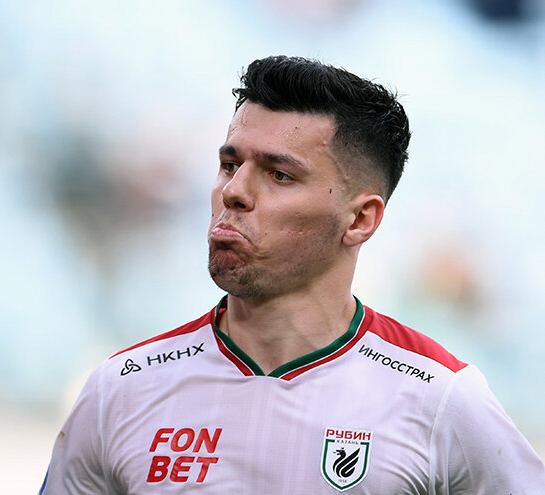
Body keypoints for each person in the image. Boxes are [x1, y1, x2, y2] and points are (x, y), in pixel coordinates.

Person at [39, 56, 545, 494]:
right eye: (229, 164)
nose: (234, 192)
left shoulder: (441, 399)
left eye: (279, 175)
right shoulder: (121, 390)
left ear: (360, 219)